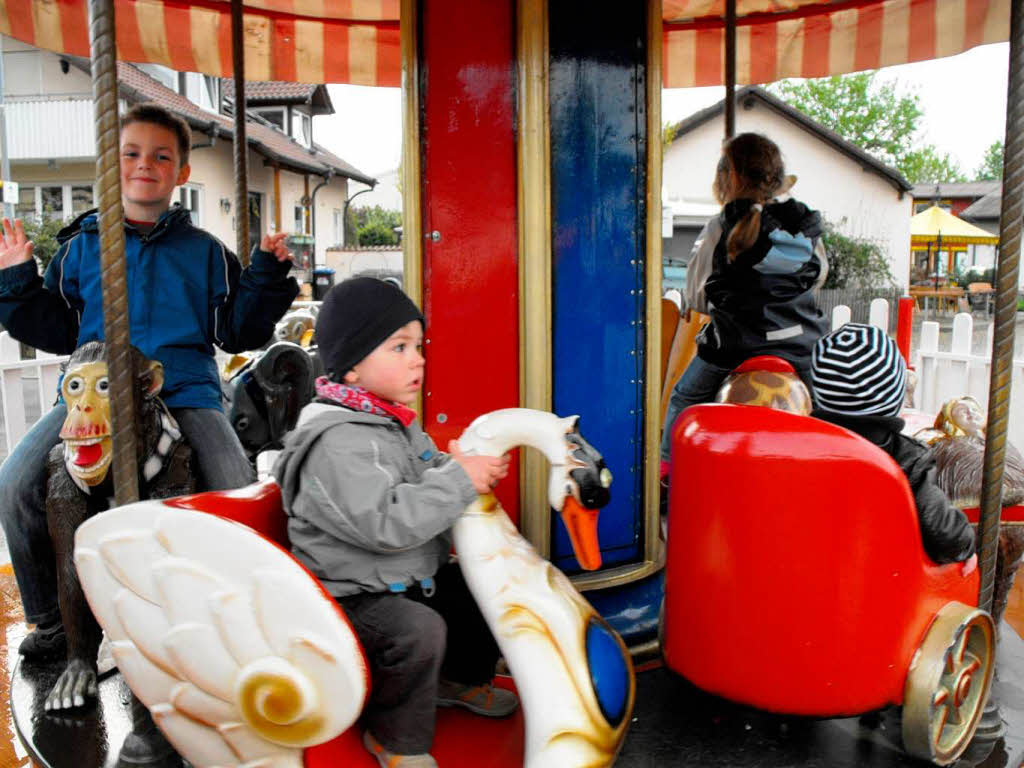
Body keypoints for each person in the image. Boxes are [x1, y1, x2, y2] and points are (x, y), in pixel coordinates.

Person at [0, 103, 299, 659]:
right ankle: (50, 620)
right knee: (15, 482)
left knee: (234, 484)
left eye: (161, 156)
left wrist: (264, 274)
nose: (145, 165)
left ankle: (251, 613)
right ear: (112, 167)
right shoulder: (79, 251)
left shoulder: (206, 253)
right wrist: (17, 280)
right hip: (96, 393)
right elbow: (59, 331)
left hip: (182, 388)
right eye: (132, 153)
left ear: (181, 173)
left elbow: (236, 332)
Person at [274, 277, 516, 768]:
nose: (418, 359)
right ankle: (394, 738)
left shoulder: (392, 422)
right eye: (399, 347)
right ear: (354, 367)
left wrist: (462, 469)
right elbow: (384, 524)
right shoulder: (336, 443)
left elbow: (426, 477)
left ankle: (457, 681)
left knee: (481, 588)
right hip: (351, 594)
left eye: (418, 346)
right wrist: (458, 483)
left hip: (404, 577)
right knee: (416, 631)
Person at [661, 132, 828, 466]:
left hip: (734, 345)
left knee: (683, 399)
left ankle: (666, 469)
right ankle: (837, 462)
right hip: (801, 345)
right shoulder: (804, 224)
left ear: (730, 176)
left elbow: (697, 293)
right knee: (829, 405)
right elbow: (819, 274)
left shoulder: (721, 225)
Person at [811, 323, 976, 564]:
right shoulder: (907, 458)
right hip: (880, 576)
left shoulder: (802, 444)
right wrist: (967, 544)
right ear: (895, 395)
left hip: (813, 565)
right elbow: (944, 533)